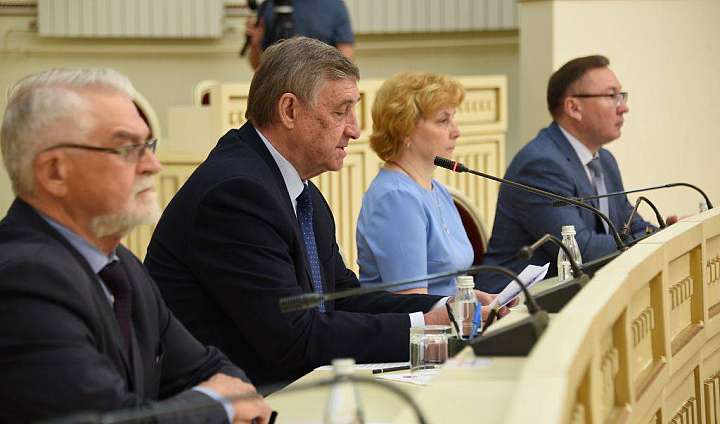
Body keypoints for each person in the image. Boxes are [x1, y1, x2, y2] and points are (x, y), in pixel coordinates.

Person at [145, 37, 493, 389]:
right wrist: (425, 326)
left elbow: (341, 297)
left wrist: (447, 307)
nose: (354, 129)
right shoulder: (236, 194)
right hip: (235, 398)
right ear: (289, 110)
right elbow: (293, 339)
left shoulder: (299, 190)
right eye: (341, 112)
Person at [0, 68, 272, 423]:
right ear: (54, 172)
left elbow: (207, 368)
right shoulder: (24, 280)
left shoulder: (121, 266)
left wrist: (226, 398)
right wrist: (220, 405)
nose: (153, 165)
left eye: (148, 146)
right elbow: (112, 420)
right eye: (128, 148)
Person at [481, 55, 675, 293]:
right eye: (611, 96)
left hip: (574, 292)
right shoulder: (541, 164)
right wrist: (651, 239)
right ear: (573, 108)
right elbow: (580, 250)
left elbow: (629, 223)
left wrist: (664, 232)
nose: (623, 107)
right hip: (514, 302)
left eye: (621, 96)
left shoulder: (604, 160)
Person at [356, 72, 474, 296]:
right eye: (443, 120)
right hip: (413, 319)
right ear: (405, 130)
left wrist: (478, 299)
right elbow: (412, 302)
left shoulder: (436, 189)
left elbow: (447, 288)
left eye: (453, 118)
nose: (456, 131)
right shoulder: (396, 198)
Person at [245, 0, 354, 70]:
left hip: (320, 88)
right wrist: (255, 44)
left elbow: (346, 61)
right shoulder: (268, 6)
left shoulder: (333, 5)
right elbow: (258, 66)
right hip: (278, 88)